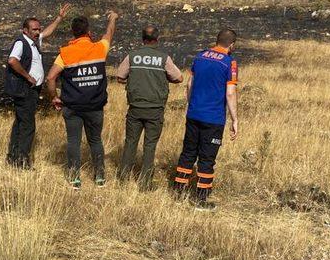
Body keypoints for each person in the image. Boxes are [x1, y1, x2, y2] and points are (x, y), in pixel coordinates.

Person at [46, 11, 118, 189]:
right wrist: (112, 19)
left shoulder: (65, 53)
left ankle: (74, 179)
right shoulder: (99, 48)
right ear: (89, 32)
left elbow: (50, 78)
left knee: (73, 141)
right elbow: (109, 34)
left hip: (72, 106)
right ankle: (100, 177)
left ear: (73, 33)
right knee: (95, 140)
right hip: (95, 106)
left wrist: (54, 97)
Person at [174, 27, 238, 210]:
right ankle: (201, 199)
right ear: (231, 45)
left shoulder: (200, 56)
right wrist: (235, 119)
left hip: (193, 114)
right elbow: (231, 93)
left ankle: (179, 192)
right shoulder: (229, 63)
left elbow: (189, 85)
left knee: (188, 152)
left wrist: (191, 104)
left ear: (216, 40)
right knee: (207, 158)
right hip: (213, 118)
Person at [4, 3, 71, 168]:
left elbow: (47, 32)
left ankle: (13, 157)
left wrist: (59, 18)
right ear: (25, 30)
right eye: (34, 29)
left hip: (31, 90)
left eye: (38, 29)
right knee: (27, 126)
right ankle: (22, 161)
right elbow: (12, 60)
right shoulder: (21, 42)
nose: (37, 32)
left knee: (20, 122)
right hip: (25, 89)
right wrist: (28, 76)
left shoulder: (34, 41)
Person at [116, 24, 183, 189]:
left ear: (142, 39)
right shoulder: (163, 58)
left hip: (135, 107)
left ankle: (123, 179)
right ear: (157, 39)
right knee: (150, 145)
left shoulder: (132, 56)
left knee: (130, 142)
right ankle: (145, 183)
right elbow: (179, 78)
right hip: (155, 109)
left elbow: (119, 76)